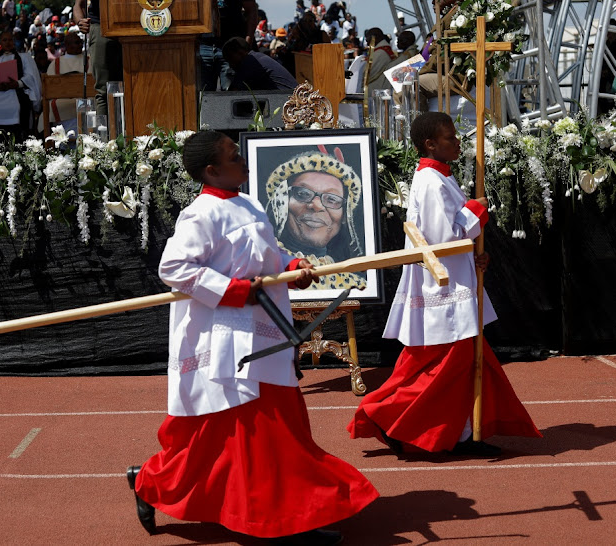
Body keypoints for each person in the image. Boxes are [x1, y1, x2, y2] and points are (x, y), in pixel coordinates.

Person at [127, 131, 378, 545]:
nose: (243, 161)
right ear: (211, 170)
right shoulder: (200, 214)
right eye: (233, 156)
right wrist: (234, 291)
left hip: (264, 330)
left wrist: (292, 265)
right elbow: (174, 268)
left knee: (252, 433)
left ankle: (153, 481)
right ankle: (287, 519)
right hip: (229, 340)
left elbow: (266, 256)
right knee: (260, 432)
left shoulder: (249, 203)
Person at [347, 112, 542, 457]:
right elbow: (443, 238)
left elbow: (457, 240)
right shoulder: (431, 181)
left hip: (454, 280)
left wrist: (476, 255)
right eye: (450, 137)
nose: (457, 142)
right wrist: (475, 211)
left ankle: (457, 431)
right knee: (447, 367)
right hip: (443, 289)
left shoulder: (440, 177)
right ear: (430, 143)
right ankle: (398, 418)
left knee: (449, 365)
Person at [263, 146, 367, 291]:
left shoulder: (354, 286)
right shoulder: (261, 268)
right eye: (303, 193)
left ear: (344, 215)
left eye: (331, 199)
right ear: (281, 203)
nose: (316, 205)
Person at [0, 29, 41, 144]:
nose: (8, 43)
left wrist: (18, 83)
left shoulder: (24, 58)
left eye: (10, 40)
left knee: (20, 108)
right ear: (0, 42)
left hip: (17, 95)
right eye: (5, 40)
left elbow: (31, 77)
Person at [73, 0, 123, 116]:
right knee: (104, 89)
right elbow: (78, 5)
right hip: (102, 27)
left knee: (135, 84)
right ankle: (104, 132)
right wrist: (81, 21)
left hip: (135, 27)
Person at [37, 31, 91, 135]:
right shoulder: (56, 63)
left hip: (85, 99)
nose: (80, 45)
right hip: (62, 101)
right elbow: (49, 88)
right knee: (53, 106)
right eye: (76, 42)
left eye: (80, 42)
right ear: (67, 45)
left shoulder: (89, 60)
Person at [198, 0, 258, 91]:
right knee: (202, 95)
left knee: (232, 95)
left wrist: (247, 42)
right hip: (202, 45)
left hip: (232, 46)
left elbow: (252, 9)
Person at [222, 36, 298, 91]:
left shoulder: (249, 62)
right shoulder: (258, 57)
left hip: (290, 104)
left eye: (230, 59)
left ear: (241, 53)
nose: (230, 65)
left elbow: (234, 93)